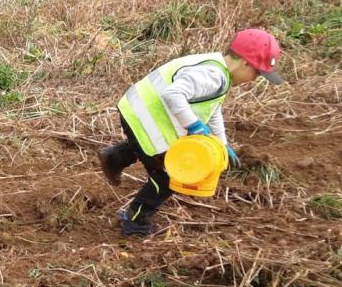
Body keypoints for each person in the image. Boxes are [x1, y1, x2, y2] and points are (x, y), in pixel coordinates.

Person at [98, 28, 283, 237]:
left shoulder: (216, 68)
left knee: (149, 147)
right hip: (144, 116)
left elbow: (212, 109)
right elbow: (173, 93)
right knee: (169, 174)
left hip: (135, 110)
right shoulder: (213, 76)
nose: (255, 79)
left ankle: (115, 157)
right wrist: (194, 126)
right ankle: (136, 221)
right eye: (258, 73)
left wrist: (222, 142)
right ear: (245, 63)